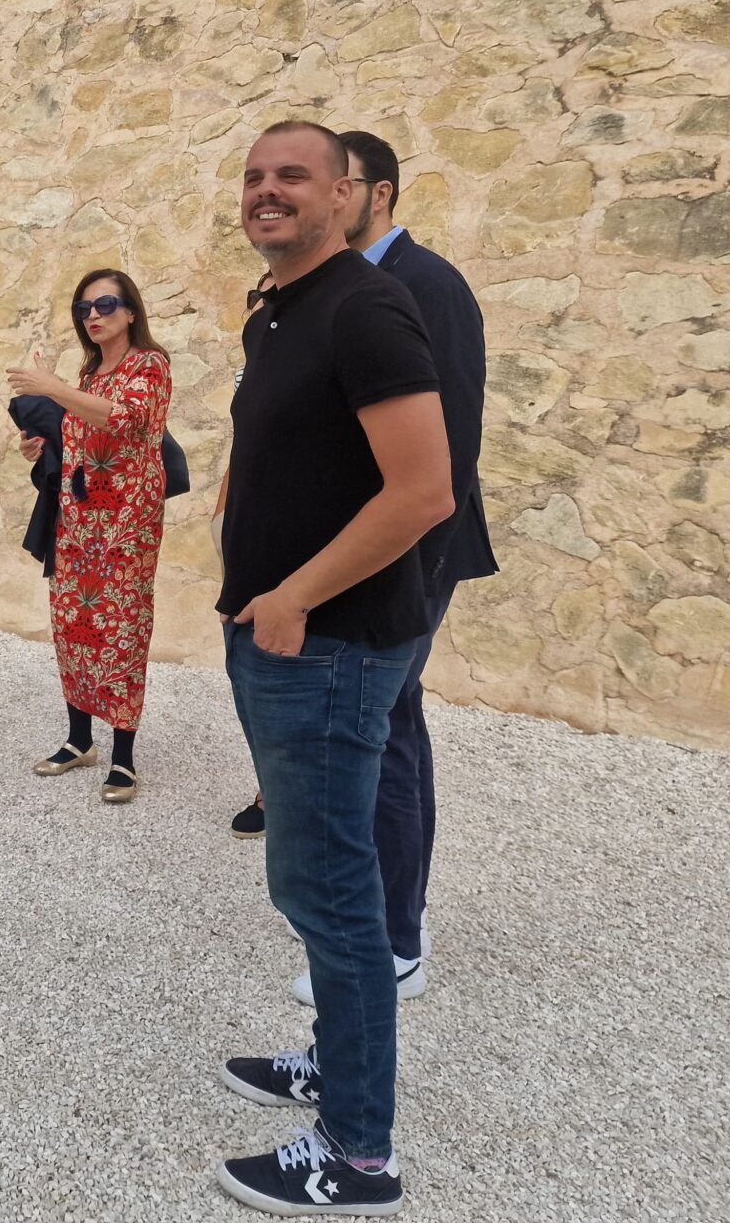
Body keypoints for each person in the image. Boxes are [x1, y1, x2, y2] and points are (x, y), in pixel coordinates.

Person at [212, 121, 453, 1216]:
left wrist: (294, 596)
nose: (267, 192)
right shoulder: (280, 308)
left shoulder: (364, 306)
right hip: (286, 639)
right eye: (254, 176)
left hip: (329, 645)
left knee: (333, 891)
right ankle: (332, 1064)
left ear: (346, 194)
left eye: (293, 177)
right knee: (311, 883)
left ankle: (358, 1155)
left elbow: (423, 491)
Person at [267, 128, 493, 1005]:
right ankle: (388, 923)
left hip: (407, 559)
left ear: (376, 193)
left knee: (384, 731)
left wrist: (407, 578)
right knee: (385, 728)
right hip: (358, 558)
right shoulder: (331, 287)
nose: (316, 197)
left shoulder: (425, 285)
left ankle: (396, 939)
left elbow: (450, 453)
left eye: (336, 181)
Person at [6, 269, 171, 802]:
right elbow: (79, 433)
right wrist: (40, 448)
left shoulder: (150, 364)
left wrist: (52, 387)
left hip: (126, 528)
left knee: (122, 631)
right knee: (73, 628)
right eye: (84, 309)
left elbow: (124, 420)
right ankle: (80, 740)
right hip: (77, 524)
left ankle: (123, 757)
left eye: (105, 305)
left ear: (131, 311)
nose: (93, 316)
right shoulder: (90, 372)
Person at [222, 270, 272, 841]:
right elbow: (243, 448)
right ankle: (270, 784)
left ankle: (275, 792)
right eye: (256, 296)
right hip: (247, 532)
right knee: (243, 669)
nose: (261, 305)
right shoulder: (250, 371)